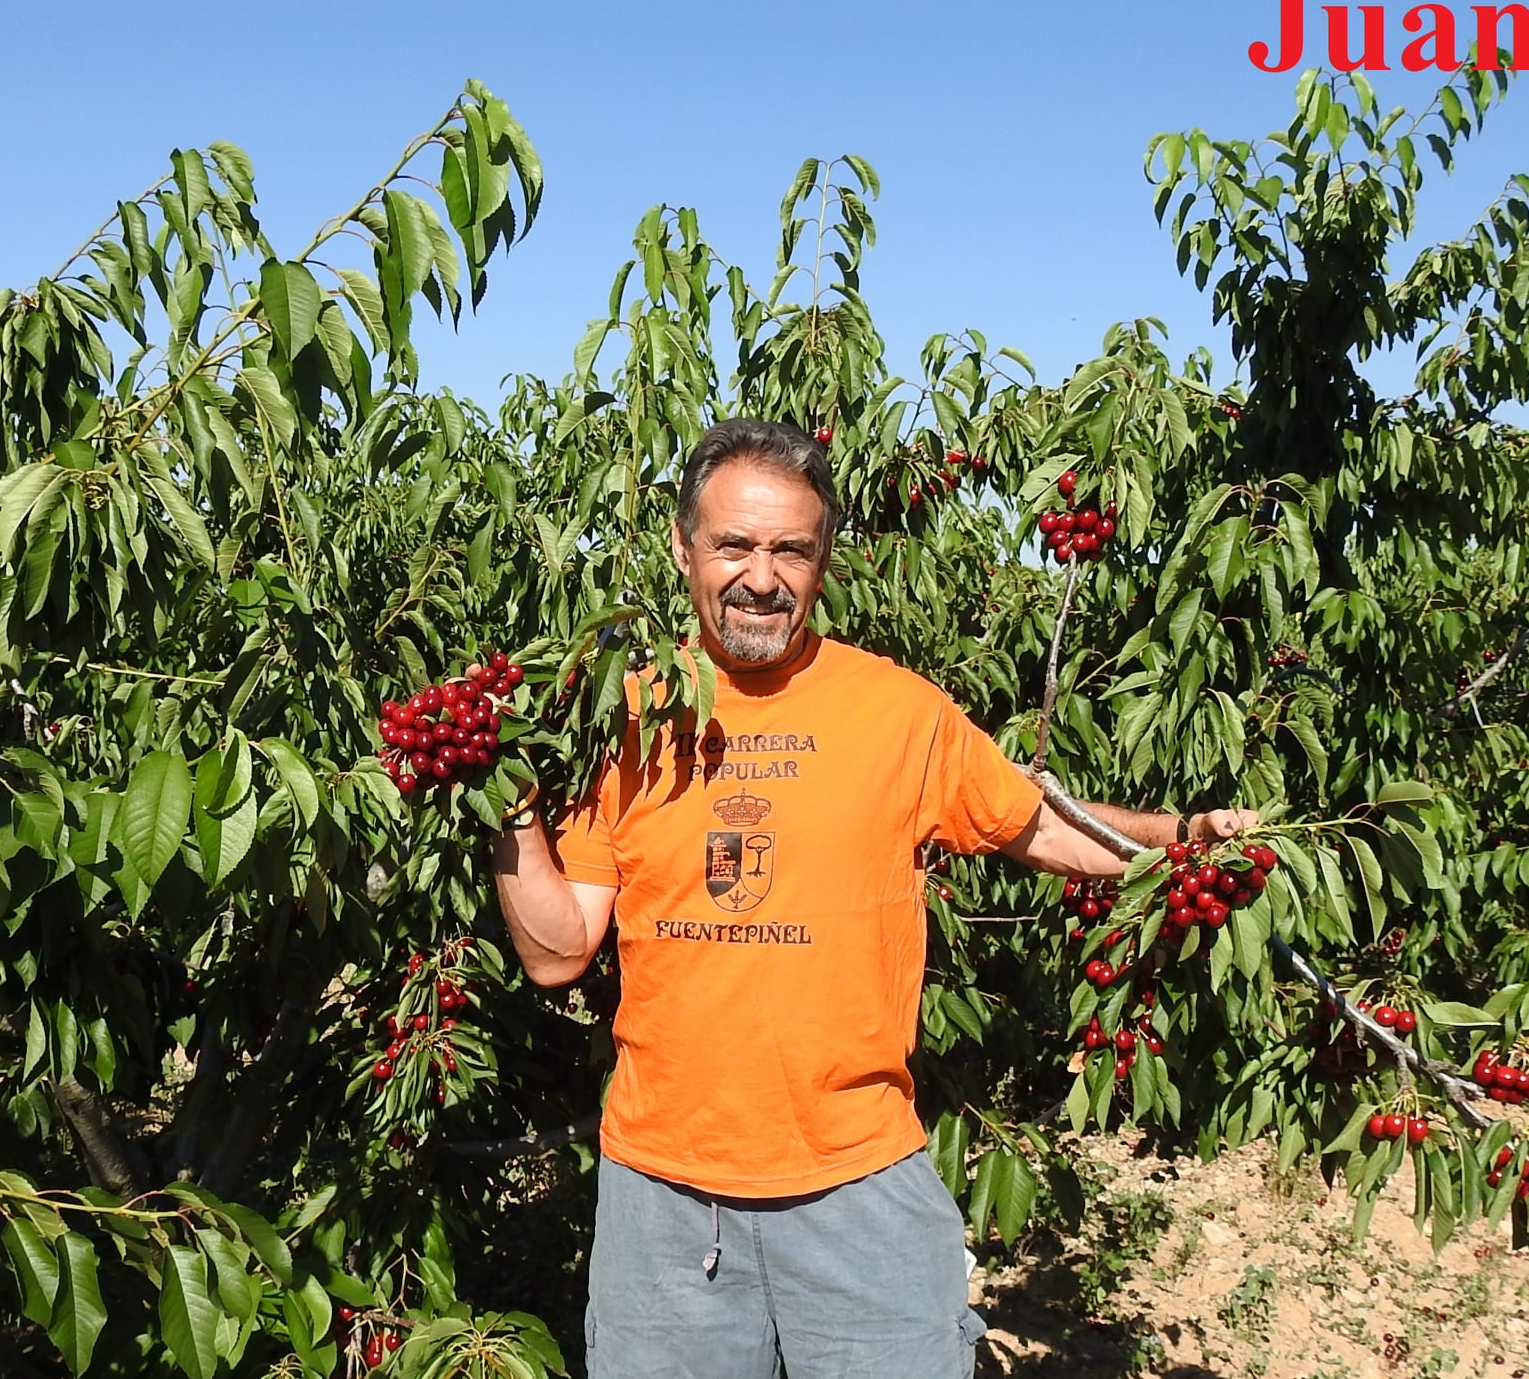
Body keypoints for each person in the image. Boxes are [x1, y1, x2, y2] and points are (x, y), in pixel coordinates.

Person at [488, 419, 1257, 1378]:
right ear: (684, 547)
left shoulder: (897, 710)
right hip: (668, 1204)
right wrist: (506, 806)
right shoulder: (629, 717)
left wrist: (1182, 837)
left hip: (858, 1187)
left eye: (790, 550)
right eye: (733, 544)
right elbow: (559, 951)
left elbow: (1041, 826)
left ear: (824, 561)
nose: (760, 577)